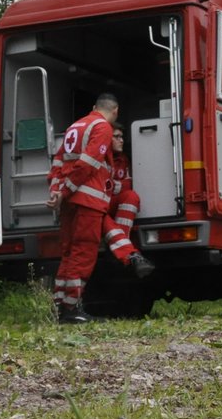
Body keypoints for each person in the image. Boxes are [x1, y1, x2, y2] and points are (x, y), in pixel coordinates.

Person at [47, 94, 120, 323]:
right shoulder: (103, 128)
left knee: (68, 252)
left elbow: (58, 162)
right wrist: (67, 190)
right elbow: (87, 164)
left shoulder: (74, 127)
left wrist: (58, 191)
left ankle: (60, 305)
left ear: (93, 107)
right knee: (83, 252)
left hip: (69, 201)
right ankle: (72, 309)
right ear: (115, 111)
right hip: (87, 200)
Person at [100, 128, 155, 279]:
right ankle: (126, 251)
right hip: (97, 205)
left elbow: (128, 183)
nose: (122, 140)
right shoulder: (98, 157)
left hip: (109, 201)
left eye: (122, 136)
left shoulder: (123, 159)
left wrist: (114, 186)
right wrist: (114, 186)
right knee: (97, 211)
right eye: (117, 136)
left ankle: (118, 246)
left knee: (131, 197)